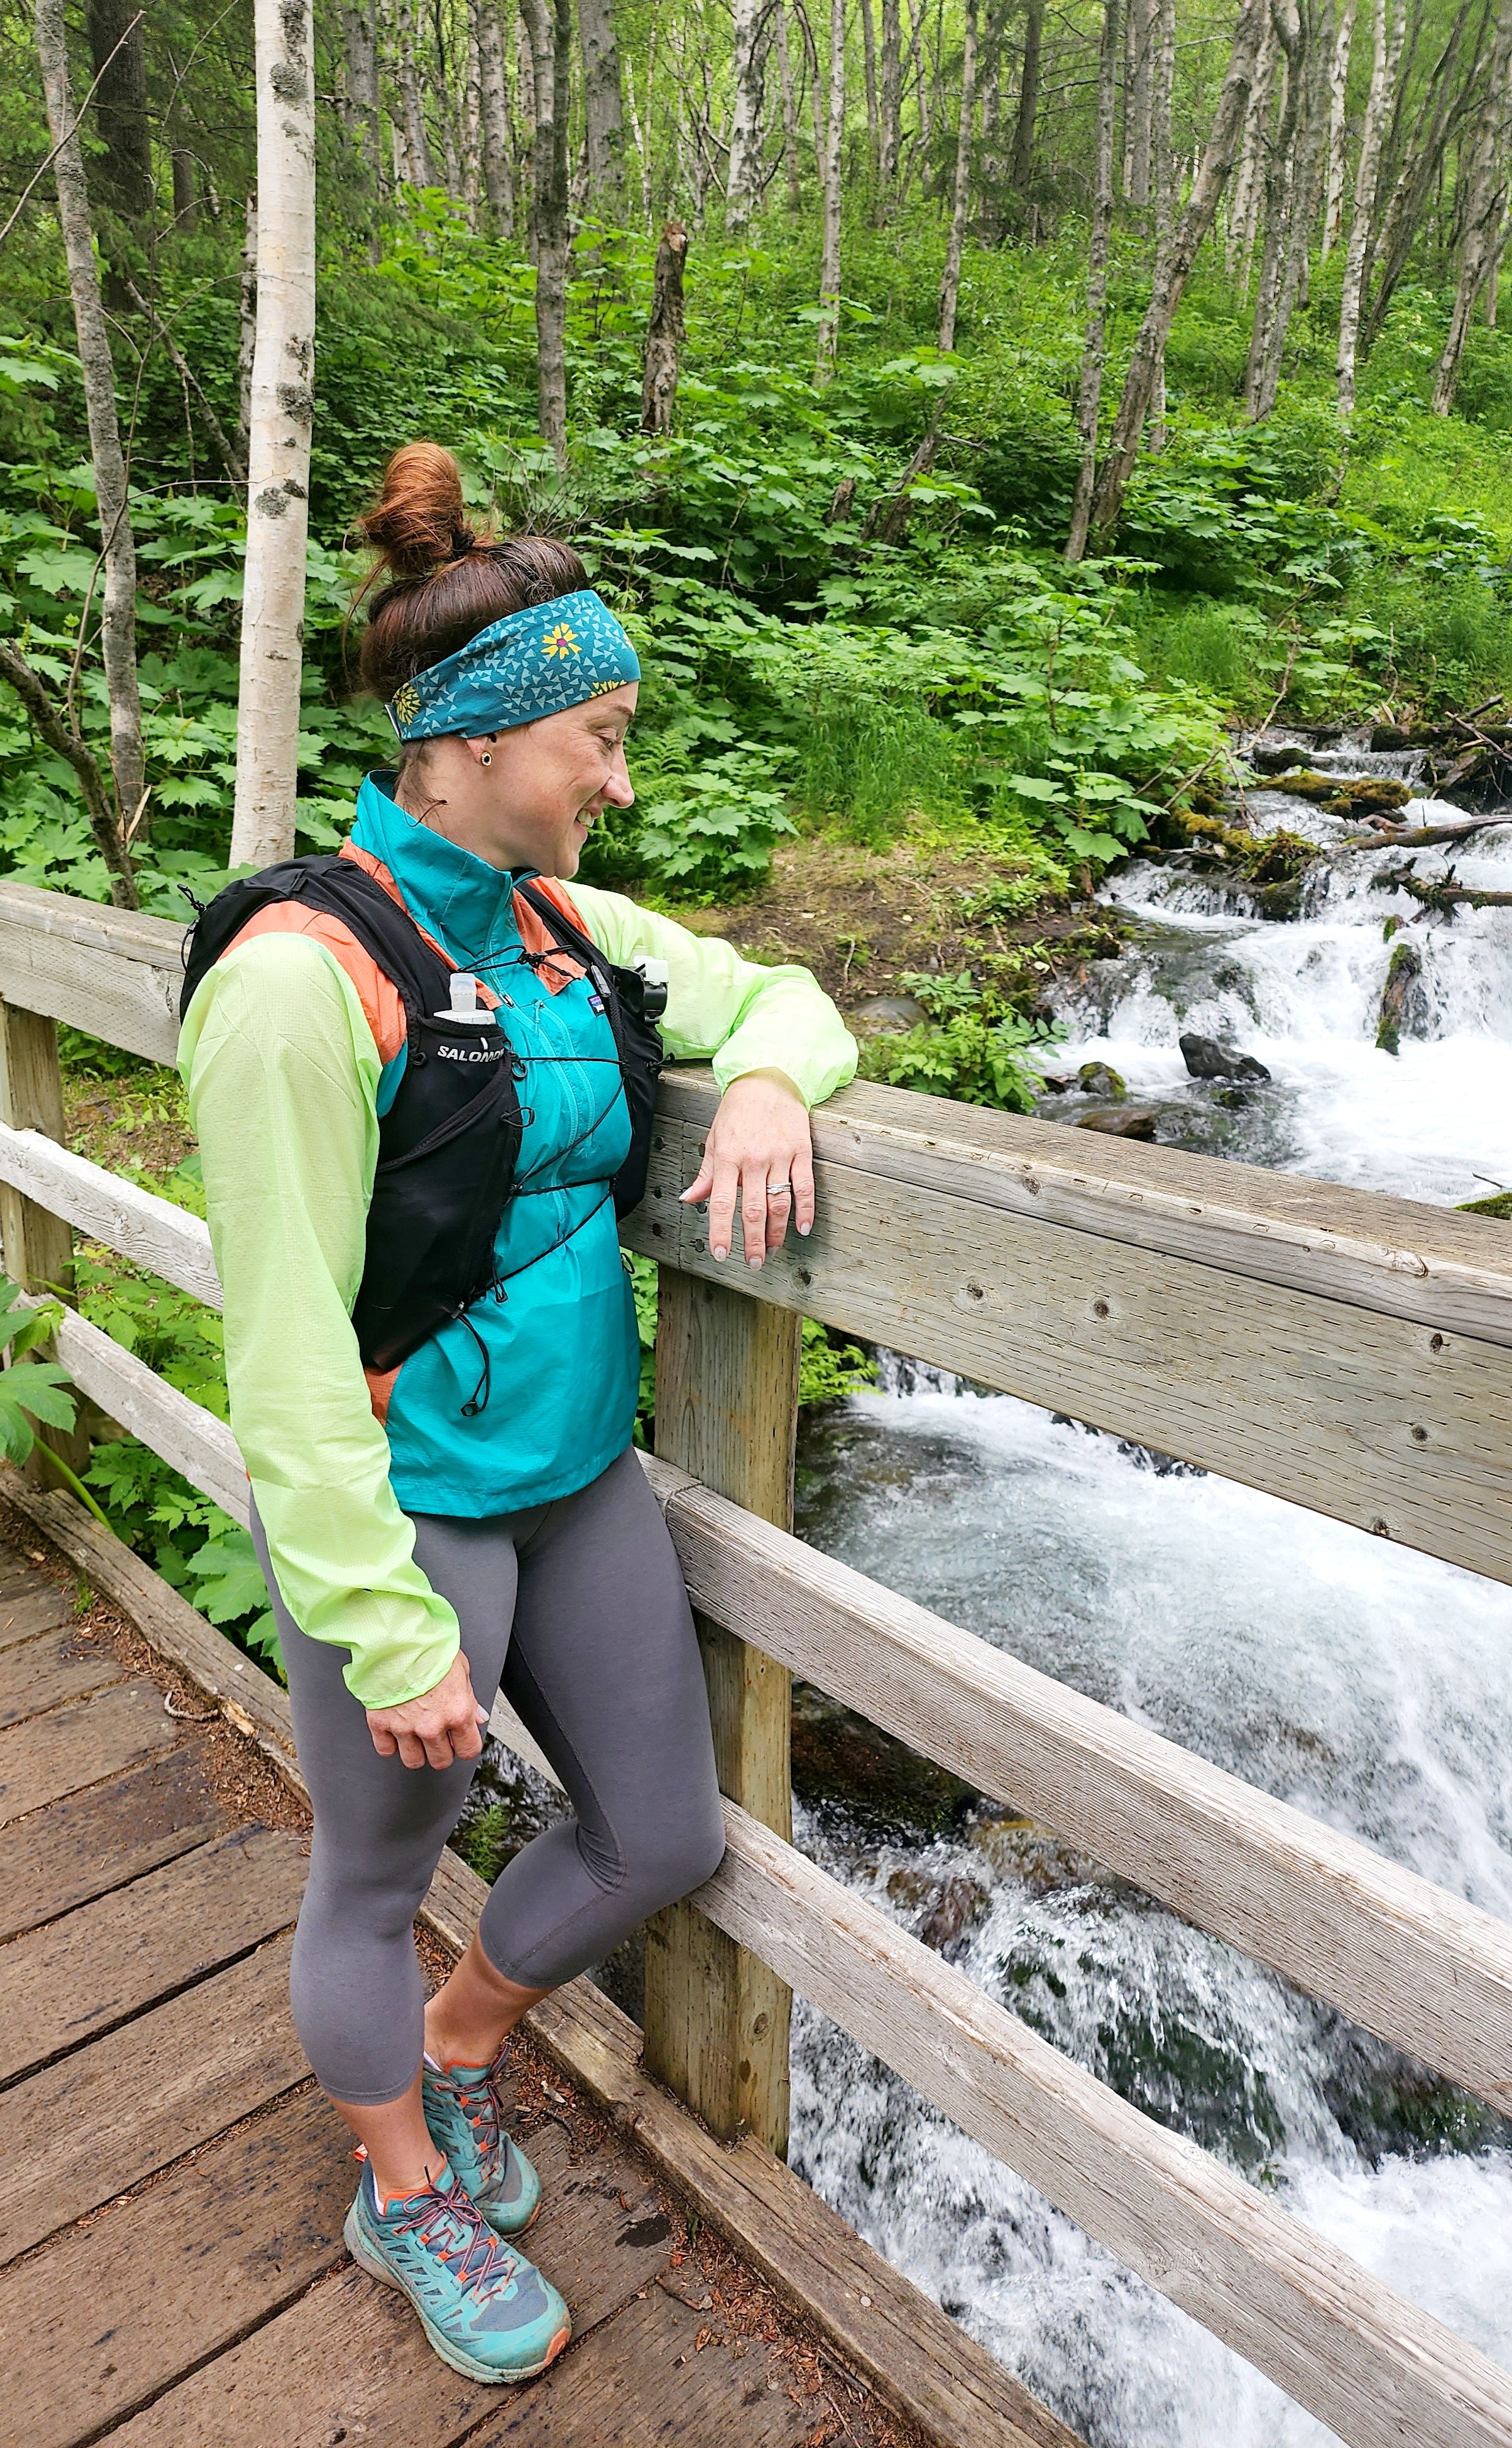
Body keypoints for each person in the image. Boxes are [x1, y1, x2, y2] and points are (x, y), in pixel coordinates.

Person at [180, 441, 857, 2386]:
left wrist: (763, 1092)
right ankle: (397, 2185)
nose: (619, 782)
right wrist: (384, 1615)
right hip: (411, 1512)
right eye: (596, 737)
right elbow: (288, 1346)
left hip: (581, 1483)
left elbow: (784, 994)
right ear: (465, 747)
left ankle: (468, 2047)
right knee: (374, 1878)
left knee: (662, 1835)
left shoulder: (572, 932)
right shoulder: (304, 982)